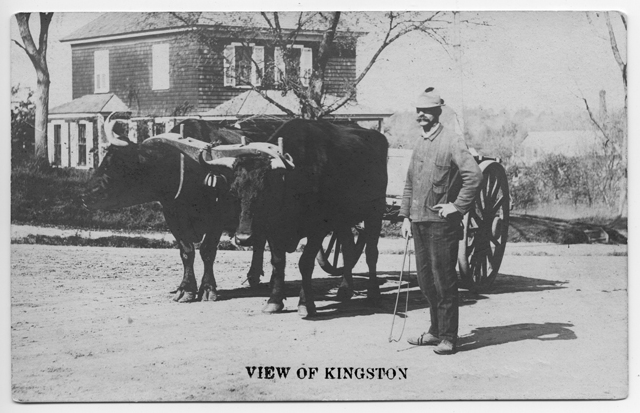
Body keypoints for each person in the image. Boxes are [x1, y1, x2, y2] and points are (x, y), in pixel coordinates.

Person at [400, 87, 482, 355]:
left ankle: (449, 337)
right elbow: (411, 182)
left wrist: (457, 207)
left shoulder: (452, 141)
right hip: (418, 221)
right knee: (425, 281)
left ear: (437, 113)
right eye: (418, 111)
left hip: (441, 225)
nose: (420, 115)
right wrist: (404, 217)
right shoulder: (421, 142)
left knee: (444, 281)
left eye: (426, 111)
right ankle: (435, 332)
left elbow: (474, 177)